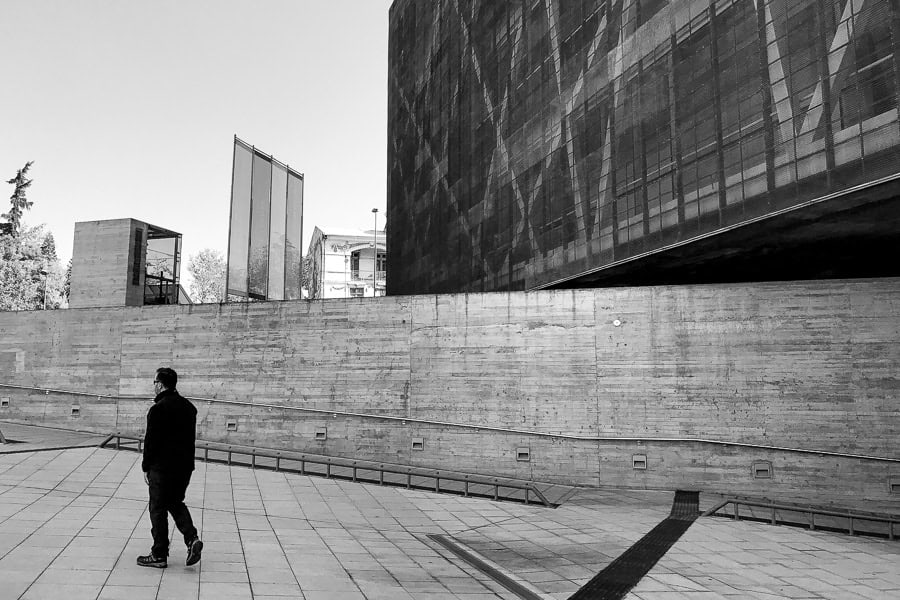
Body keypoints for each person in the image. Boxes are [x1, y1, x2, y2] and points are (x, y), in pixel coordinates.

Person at [137, 367, 203, 568]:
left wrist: (146, 467)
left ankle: (159, 554)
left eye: (155, 382)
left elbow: (151, 441)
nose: (154, 386)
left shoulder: (158, 409)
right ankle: (191, 538)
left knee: (157, 508)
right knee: (175, 502)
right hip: (184, 467)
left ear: (160, 384)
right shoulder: (189, 408)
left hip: (162, 467)